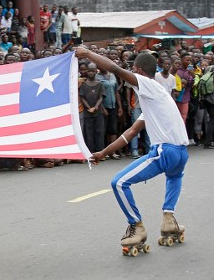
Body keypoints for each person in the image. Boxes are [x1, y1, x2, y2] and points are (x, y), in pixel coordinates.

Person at [76, 47, 188, 250]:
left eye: (133, 70)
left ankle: (136, 226)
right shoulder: (157, 98)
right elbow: (130, 132)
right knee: (174, 177)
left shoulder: (149, 85)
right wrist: (103, 152)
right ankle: (169, 219)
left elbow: (115, 69)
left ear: (138, 70)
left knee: (118, 183)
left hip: (166, 151)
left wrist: (87, 54)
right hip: (181, 153)